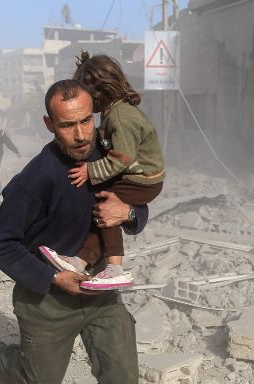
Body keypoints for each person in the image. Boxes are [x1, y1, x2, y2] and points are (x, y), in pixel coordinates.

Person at [0, 79, 150, 384]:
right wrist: (54, 276)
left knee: (122, 374)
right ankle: (8, 360)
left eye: (85, 122)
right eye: (66, 125)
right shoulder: (35, 178)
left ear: (94, 116)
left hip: (96, 289)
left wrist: (126, 214)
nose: (79, 135)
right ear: (49, 124)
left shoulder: (112, 158)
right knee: (43, 382)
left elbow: (138, 212)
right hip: (49, 295)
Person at [39, 51, 165, 290]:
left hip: (142, 179)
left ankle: (115, 267)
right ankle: (80, 260)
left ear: (98, 93)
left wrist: (91, 171)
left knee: (105, 208)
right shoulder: (114, 113)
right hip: (141, 177)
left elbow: (122, 158)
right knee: (103, 215)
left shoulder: (121, 118)